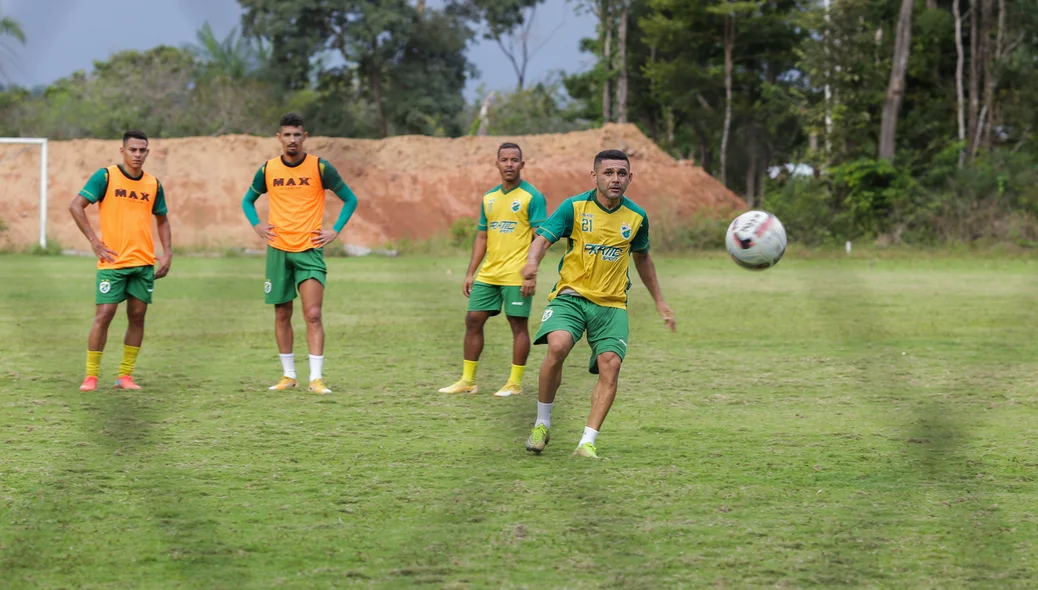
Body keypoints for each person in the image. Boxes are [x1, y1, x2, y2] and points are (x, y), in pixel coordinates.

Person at [520, 149, 677, 459]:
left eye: (621, 173)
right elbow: (541, 239)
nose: (615, 179)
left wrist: (660, 302)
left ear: (630, 178)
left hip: (612, 305)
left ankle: (587, 442)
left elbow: (643, 259)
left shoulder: (636, 217)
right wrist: (531, 263)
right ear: (594, 176)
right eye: (608, 173)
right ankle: (542, 423)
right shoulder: (574, 207)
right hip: (571, 298)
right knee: (558, 346)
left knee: (611, 366)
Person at [241, 113, 359, 394]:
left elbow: (350, 199)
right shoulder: (268, 170)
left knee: (313, 314)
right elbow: (247, 201)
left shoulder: (320, 168)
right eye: (287, 135)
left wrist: (336, 230)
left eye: (297, 135)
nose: (292, 140)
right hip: (278, 251)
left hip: (309, 250)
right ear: (279, 138)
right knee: (282, 313)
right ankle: (288, 375)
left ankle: (316, 378)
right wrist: (257, 226)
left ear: (305, 137)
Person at [439, 143, 548, 397]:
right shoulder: (489, 198)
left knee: (517, 324)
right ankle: (468, 380)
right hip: (489, 273)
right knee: (473, 320)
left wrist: (531, 273)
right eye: (504, 160)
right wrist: (470, 272)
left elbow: (541, 238)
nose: (509, 164)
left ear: (522, 164)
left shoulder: (532, 197)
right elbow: (481, 237)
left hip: (517, 274)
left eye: (514, 160)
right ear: (496, 164)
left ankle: (514, 383)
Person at [70, 130, 173, 391]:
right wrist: (94, 241)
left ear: (147, 152)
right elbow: (76, 205)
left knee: (137, 317)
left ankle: (124, 376)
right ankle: (91, 377)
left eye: (142, 150)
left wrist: (168, 253)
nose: (137, 155)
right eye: (133, 150)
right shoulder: (106, 176)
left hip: (143, 263)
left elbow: (162, 218)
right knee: (104, 315)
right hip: (113, 262)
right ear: (122, 151)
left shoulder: (153, 184)